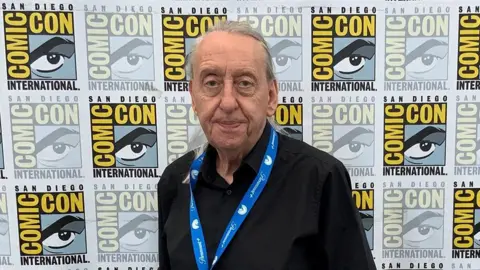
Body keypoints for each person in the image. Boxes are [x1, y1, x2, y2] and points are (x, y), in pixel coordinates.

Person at [157, 20, 377, 270]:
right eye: (211, 83)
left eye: (245, 83)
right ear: (194, 97)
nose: (227, 102)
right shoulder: (175, 181)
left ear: (271, 97)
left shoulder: (320, 178)